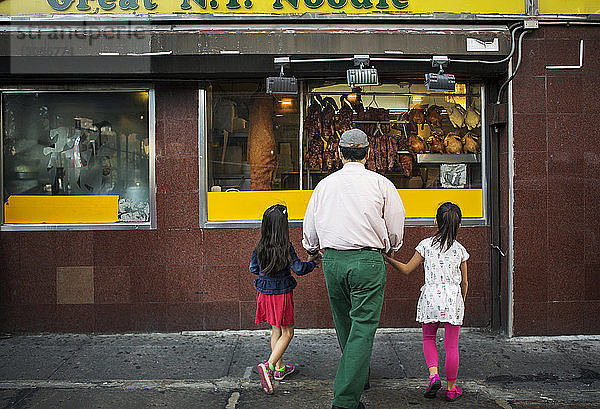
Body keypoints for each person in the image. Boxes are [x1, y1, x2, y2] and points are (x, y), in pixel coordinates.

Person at [302, 129, 405, 409]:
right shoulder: (381, 184)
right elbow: (395, 226)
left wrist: (312, 248)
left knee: (345, 322)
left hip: (333, 261)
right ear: (369, 153)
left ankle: (360, 376)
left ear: (339, 153)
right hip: (368, 260)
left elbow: (309, 229)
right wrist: (391, 246)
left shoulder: (324, 185)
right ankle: (346, 399)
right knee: (362, 326)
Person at [383, 202, 469, 402]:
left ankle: (433, 376)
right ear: (459, 225)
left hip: (431, 297)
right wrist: (460, 302)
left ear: (435, 222)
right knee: (451, 346)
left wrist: (387, 259)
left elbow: (406, 269)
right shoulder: (460, 251)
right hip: (452, 298)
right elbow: (464, 282)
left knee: (429, 339)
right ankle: (451, 388)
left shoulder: (425, 245)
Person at [250, 204, 321, 395]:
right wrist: (312, 263)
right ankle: (269, 365)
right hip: (281, 293)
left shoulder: (260, 246)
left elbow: (253, 269)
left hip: (264, 292)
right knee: (288, 333)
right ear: (283, 226)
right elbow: (298, 269)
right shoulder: (285, 247)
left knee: (275, 329)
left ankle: (280, 370)